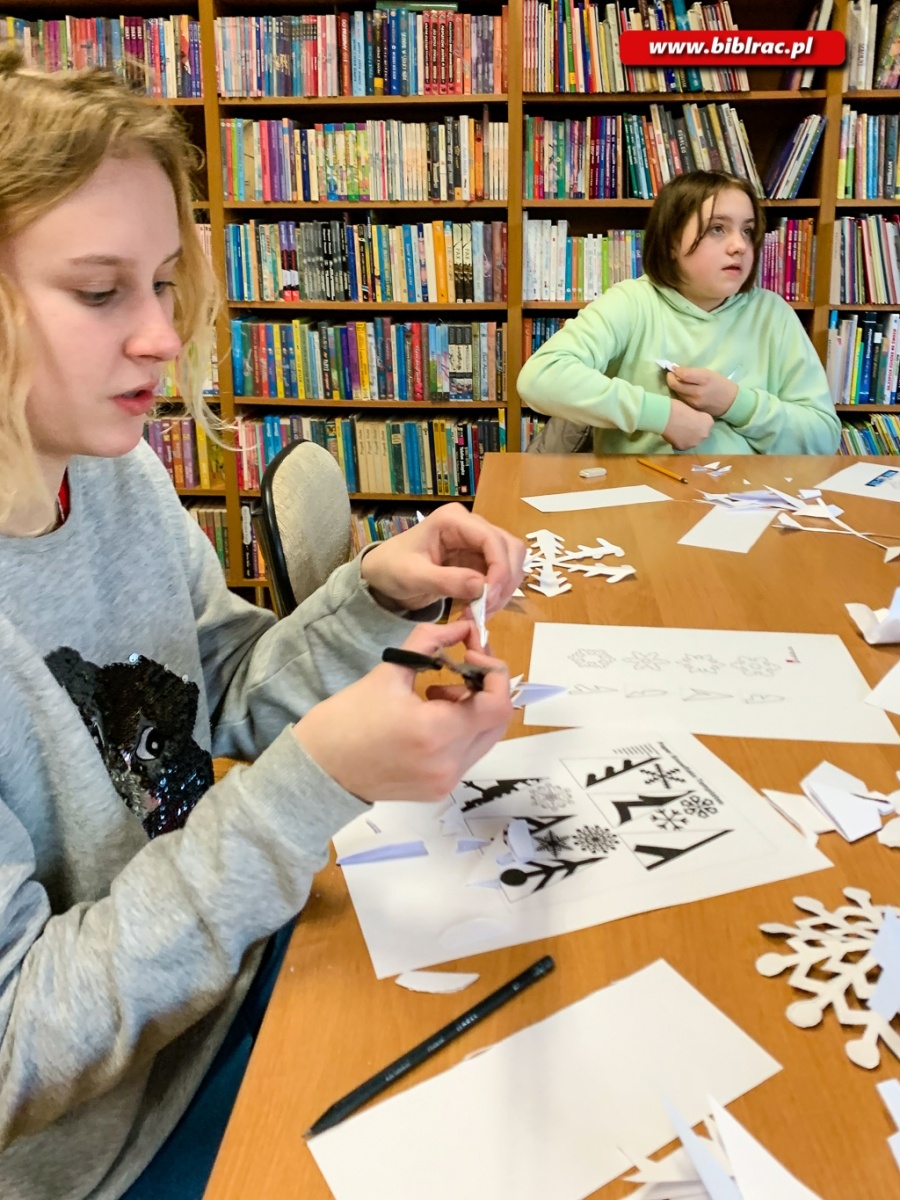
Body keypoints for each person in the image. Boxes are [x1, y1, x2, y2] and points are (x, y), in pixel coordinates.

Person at [0, 50, 525, 1200]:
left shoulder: (116, 470)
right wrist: (309, 787)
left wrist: (372, 595)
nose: (157, 335)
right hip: (119, 1140)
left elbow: (219, 690)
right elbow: (15, 1058)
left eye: (163, 282)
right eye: (100, 292)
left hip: (236, 980)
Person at [517, 170, 841, 457]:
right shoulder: (632, 302)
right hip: (642, 500)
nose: (739, 245)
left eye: (747, 230)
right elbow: (540, 377)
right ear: (672, 243)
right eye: (717, 229)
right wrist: (662, 415)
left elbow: (823, 437)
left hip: (748, 501)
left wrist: (734, 402)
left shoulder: (773, 314)